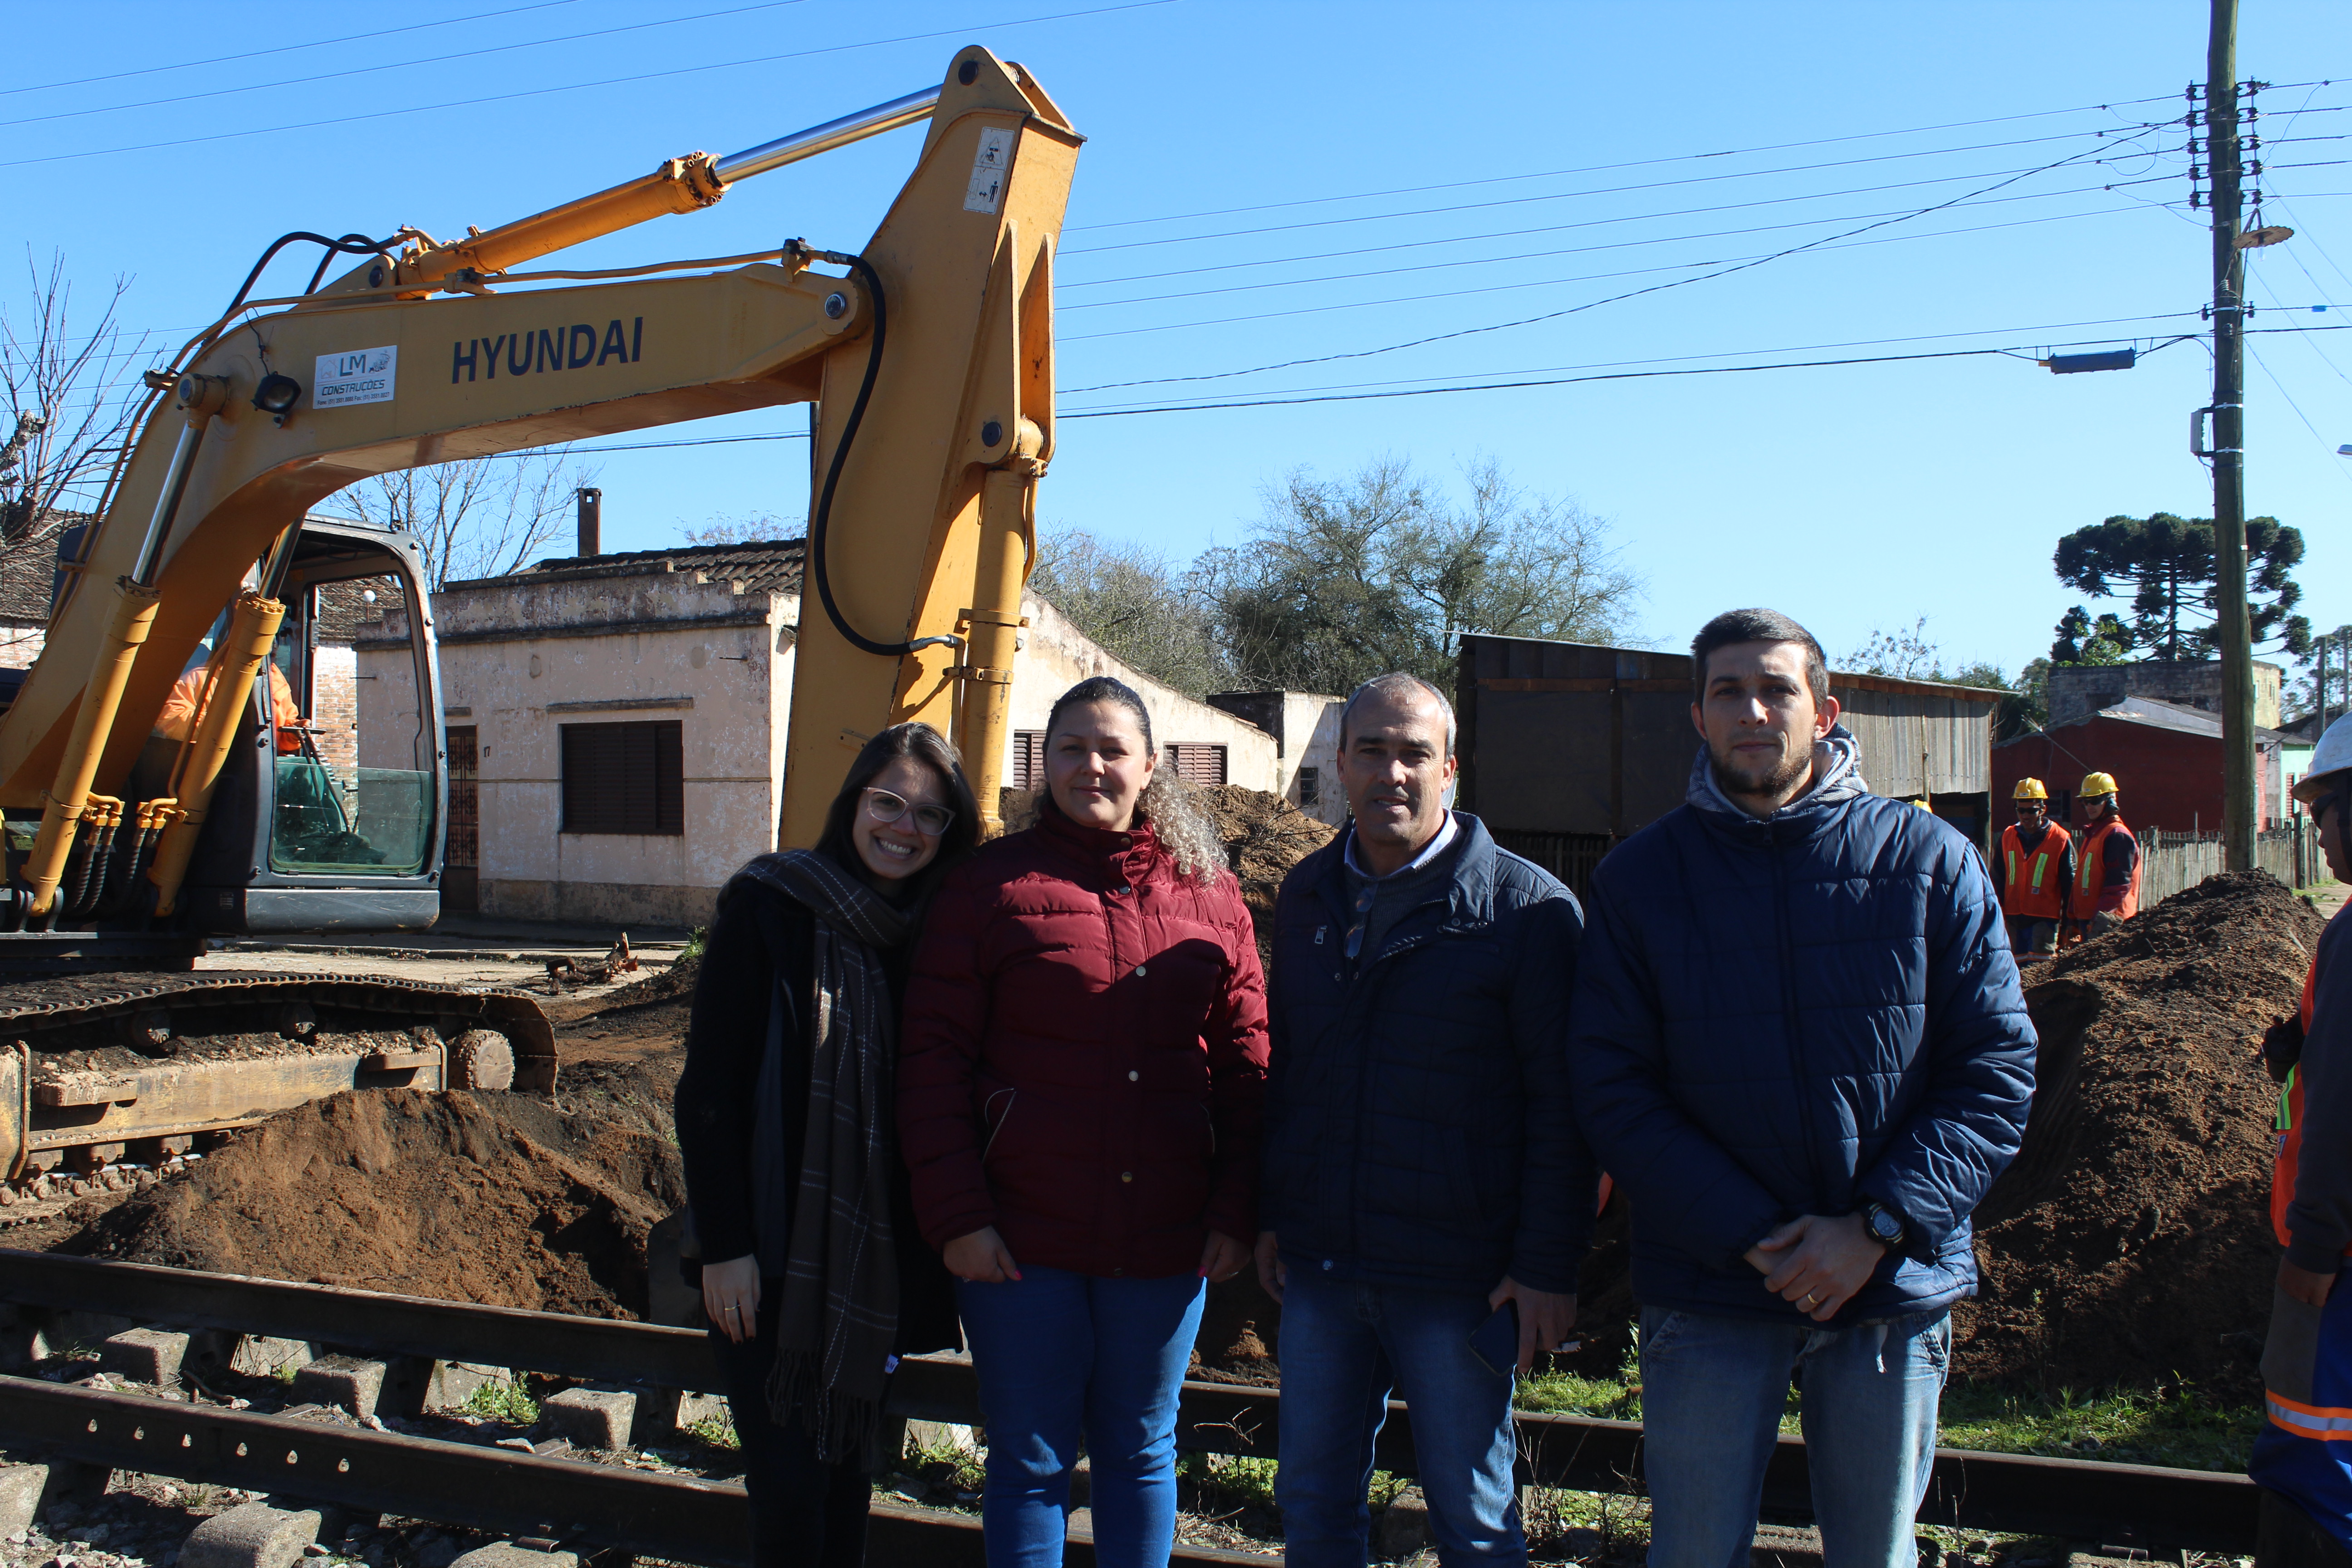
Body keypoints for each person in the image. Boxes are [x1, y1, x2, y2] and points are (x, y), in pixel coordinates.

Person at [1569, 608, 2036, 1568]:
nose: (1753, 710)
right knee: (1694, 1553)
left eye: (1776, 689)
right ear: (1697, 718)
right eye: (1728, 691)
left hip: (1889, 1285)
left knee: (1876, 1554)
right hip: (1711, 1285)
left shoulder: (1929, 863)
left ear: (1824, 712)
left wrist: (1872, 1229)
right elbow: (1613, 1086)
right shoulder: (1640, 880)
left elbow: (1994, 1069)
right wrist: (1757, 1236)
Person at [897, 676, 1269, 1568]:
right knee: (1029, 1458)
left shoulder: (1212, 895)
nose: (1092, 765)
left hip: (1167, 1237)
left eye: (1112, 749)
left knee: (1141, 1452)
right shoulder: (989, 889)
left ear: (1150, 766)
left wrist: (1233, 1210)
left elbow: (1251, 1065)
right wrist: (958, 1218)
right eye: (1071, 748)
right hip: (1021, 1242)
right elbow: (931, 1061)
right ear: (1044, 763)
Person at [1254, 671, 1592, 1568]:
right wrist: (1277, 1214)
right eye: (1372, 750)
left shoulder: (1529, 914)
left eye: (1414, 754)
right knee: (1314, 1508)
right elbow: (1294, 1070)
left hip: (1460, 1282)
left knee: (1474, 1524)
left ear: (1450, 769)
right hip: (1324, 1270)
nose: (1391, 772)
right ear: (1339, 762)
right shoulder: (1308, 897)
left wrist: (1546, 1263)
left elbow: (1565, 1110)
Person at [673, 722, 973, 1568]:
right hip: (766, 1260)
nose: (902, 827)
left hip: (875, 1262)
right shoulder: (770, 908)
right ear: (852, 803)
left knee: (845, 1476)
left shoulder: (933, 936)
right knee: (790, 1489)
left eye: (928, 813)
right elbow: (709, 1091)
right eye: (887, 802)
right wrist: (724, 1245)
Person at [2251, 713, 2352, 1548]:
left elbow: (2341, 1117)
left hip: (2338, 1263)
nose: (2314, 833)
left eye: (2321, 811)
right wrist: (2305, 1046)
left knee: (2312, 1455)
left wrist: (2312, 1248)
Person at [1998, 779, 2072, 957]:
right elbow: (1998, 878)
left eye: (2031, 811)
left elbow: (2070, 884)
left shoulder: (2060, 839)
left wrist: (2069, 924)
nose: (2025, 816)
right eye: (2021, 810)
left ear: (2042, 809)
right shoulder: (2007, 837)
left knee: (2041, 974)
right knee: (2015, 974)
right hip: (2013, 920)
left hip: (2044, 921)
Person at [2068, 771, 2139, 942]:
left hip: (2109, 924)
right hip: (2092, 921)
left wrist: (2099, 919)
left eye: (2095, 801)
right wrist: (2073, 916)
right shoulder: (2095, 834)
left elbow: (2118, 887)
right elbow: (2083, 881)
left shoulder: (2117, 835)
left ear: (2111, 801)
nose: (2089, 806)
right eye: (2085, 802)